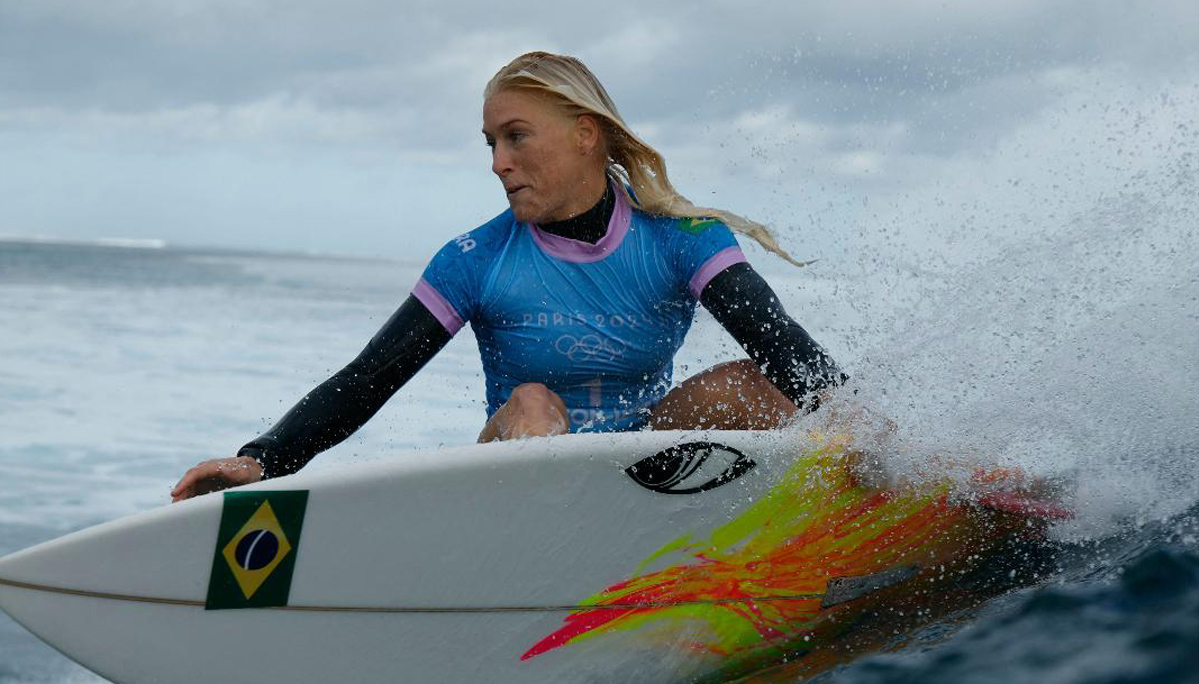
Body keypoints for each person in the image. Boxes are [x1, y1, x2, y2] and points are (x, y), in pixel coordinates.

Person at [171, 51, 845, 502]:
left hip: (641, 467)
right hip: (520, 475)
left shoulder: (680, 238)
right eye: (490, 142)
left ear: (586, 134)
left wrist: (877, 434)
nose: (497, 161)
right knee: (531, 401)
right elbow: (368, 378)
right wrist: (264, 460)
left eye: (515, 137)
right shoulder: (476, 259)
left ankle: (835, 512)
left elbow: (780, 340)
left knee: (751, 385)